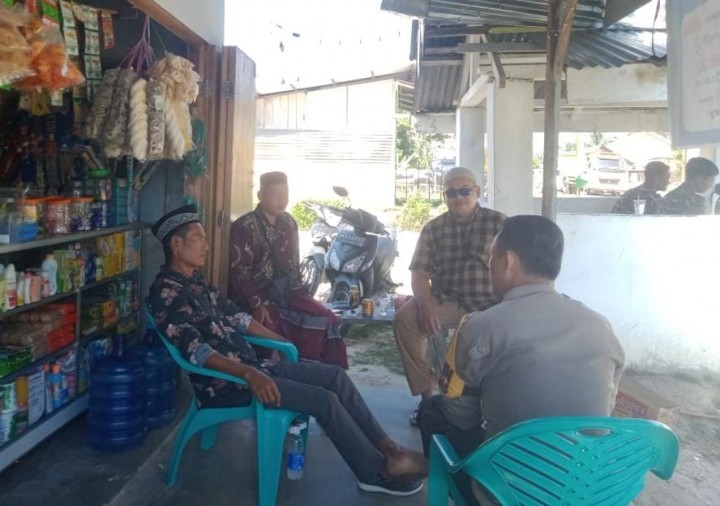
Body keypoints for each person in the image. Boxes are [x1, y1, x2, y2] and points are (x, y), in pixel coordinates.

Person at [147, 205, 427, 496]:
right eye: (198, 238)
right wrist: (249, 374)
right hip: (229, 383)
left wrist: (283, 341)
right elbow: (197, 352)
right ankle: (373, 472)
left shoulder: (197, 284)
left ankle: (390, 450)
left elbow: (239, 318)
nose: (206, 245)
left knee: (334, 377)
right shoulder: (166, 294)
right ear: (176, 246)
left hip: (254, 368)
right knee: (324, 400)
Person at [425, 215, 625, 504]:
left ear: (508, 261)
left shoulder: (479, 327)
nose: (488, 265)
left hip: (509, 492)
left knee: (433, 410)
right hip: (589, 487)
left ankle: (437, 474)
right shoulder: (601, 325)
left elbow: (459, 415)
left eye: (491, 257)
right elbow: (606, 405)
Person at [393, 167, 506, 425]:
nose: (459, 197)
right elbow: (419, 272)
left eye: (465, 191)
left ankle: (497, 407)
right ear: (445, 197)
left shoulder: (500, 223)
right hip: (448, 300)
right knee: (405, 320)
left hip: (492, 302)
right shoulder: (433, 229)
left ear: (477, 192)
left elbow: (518, 265)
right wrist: (425, 305)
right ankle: (429, 400)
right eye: (451, 192)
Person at [228, 171, 347, 368]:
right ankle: (295, 372)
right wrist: (256, 303)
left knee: (329, 320)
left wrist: (302, 297)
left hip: (287, 293)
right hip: (257, 300)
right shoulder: (245, 226)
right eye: (276, 194)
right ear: (260, 195)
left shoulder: (289, 223)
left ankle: (325, 375)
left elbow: (293, 265)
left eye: (286, 194)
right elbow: (240, 272)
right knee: (283, 328)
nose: (282, 200)